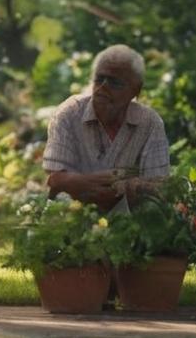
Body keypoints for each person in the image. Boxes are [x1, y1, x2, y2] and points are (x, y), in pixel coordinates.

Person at [43, 44, 170, 213]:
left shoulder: (149, 123)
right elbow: (56, 180)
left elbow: (157, 186)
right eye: (99, 79)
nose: (103, 88)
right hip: (74, 217)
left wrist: (81, 182)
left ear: (136, 89)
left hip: (131, 224)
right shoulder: (69, 113)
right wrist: (126, 179)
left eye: (114, 83)